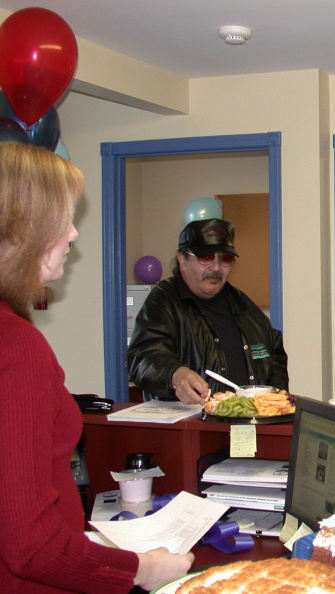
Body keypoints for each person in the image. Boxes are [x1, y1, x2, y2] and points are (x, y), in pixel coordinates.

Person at [0, 143, 194, 592]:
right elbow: (31, 547)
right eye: (62, 219)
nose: (72, 234)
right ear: (20, 228)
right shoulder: (15, 347)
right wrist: (143, 569)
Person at [127, 218, 288, 403]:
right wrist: (175, 374)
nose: (217, 268)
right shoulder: (164, 301)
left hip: (247, 425)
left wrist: (273, 403)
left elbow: (274, 353)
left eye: (225, 259)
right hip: (191, 426)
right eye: (206, 257)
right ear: (182, 259)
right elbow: (142, 357)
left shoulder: (242, 304)